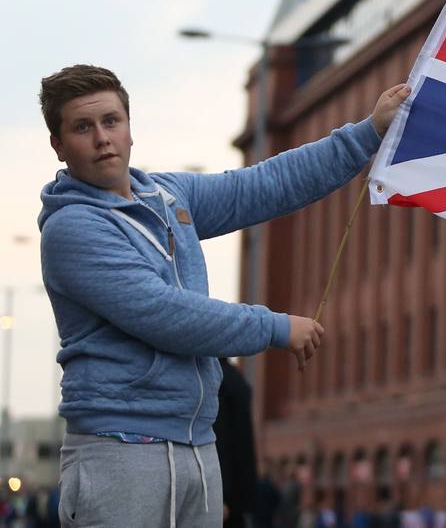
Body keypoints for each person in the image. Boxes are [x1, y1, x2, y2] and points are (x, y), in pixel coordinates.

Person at [38, 63, 409, 528]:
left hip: (198, 445)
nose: (102, 138)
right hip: (119, 453)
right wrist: (274, 327)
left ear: (130, 128)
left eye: (111, 121)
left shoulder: (169, 197)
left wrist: (368, 133)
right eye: (82, 127)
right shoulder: (72, 227)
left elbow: (267, 184)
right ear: (59, 144)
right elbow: (165, 314)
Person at [213, 357, 257, 528]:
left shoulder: (218, 379)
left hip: (226, 495)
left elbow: (221, 440)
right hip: (240, 490)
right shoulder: (236, 378)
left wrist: (222, 496)